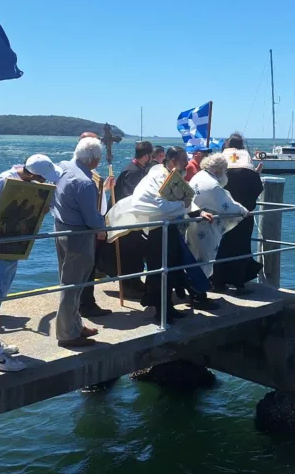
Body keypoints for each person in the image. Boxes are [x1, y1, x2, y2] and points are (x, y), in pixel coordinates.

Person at [0, 154, 61, 370]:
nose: (45, 182)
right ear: (33, 173)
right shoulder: (4, 181)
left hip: (11, 246)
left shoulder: (29, 183)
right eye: (43, 178)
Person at [106, 146, 213, 323]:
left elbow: (185, 199)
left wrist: (198, 212)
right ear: (172, 161)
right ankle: (162, 311)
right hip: (157, 232)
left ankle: (167, 306)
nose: (187, 163)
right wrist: (181, 206)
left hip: (169, 229)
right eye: (183, 159)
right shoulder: (157, 177)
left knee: (170, 271)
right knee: (160, 272)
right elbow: (152, 203)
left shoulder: (170, 175)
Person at [51, 138, 106, 346]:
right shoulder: (85, 182)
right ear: (92, 159)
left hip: (61, 228)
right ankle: (67, 334)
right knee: (73, 286)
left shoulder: (63, 168)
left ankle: (75, 324)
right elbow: (92, 218)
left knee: (70, 283)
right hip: (78, 236)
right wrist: (102, 230)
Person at [185, 153, 248, 309]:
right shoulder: (212, 185)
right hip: (206, 226)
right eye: (225, 170)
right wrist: (244, 211)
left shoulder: (199, 176)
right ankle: (199, 297)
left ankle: (196, 294)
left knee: (196, 258)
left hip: (194, 223)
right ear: (219, 169)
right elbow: (227, 206)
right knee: (205, 260)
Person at [211, 134, 264, 292]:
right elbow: (257, 188)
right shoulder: (247, 163)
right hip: (243, 215)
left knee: (221, 247)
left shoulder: (221, 161)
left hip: (222, 213)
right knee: (241, 247)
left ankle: (218, 281)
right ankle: (239, 282)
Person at [112, 140, 154, 299]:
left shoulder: (137, 169)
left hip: (134, 219)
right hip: (128, 220)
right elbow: (132, 197)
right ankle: (129, 285)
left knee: (136, 253)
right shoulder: (133, 172)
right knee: (130, 253)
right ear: (147, 156)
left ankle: (135, 281)